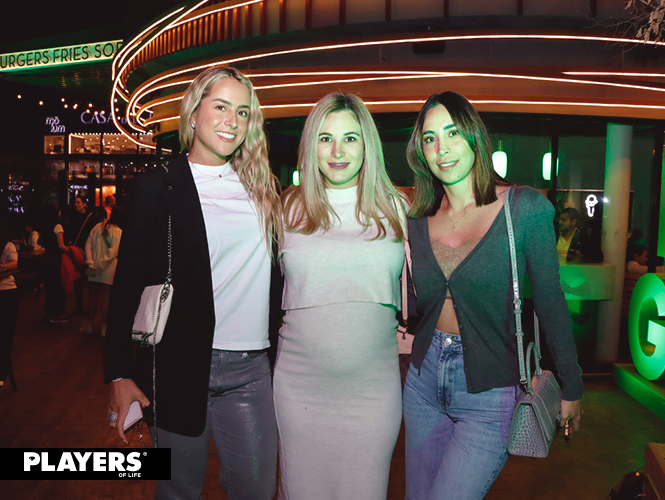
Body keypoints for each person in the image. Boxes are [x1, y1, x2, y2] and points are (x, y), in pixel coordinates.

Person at [104, 65, 282, 500]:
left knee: (257, 490)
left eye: (242, 112)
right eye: (221, 107)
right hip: (177, 366)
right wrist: (118, 373)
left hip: (251, 368)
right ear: (194, 111)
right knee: (177, 491)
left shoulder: (263, 190)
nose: (231, 121)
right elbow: (125, 286)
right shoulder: (155, 188)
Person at [402, 91, 584, 500]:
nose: (441, 148)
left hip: (489, 390)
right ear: (421, 152)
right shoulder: (417, 219)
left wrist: (572, 385)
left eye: (451, 132)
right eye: (429, 138)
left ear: (475, 138)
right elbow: (415, 306)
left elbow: (552, 301)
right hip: (422, 382)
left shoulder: (524, 209)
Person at [274, 93, 406, 499]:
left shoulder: (397, 208)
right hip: (300, 390)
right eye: (325, 138)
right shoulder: (286, 210)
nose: (337, 151)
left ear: (367, 145)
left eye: (350, 138)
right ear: (310, 145)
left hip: (372, 393)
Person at [81, 206, 125, 337]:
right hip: (109, 268)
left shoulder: (97, 227)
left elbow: (87, 246)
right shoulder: (118, 231)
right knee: (106, 298)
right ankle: (104, 328)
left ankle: (89, 325)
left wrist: (91, 263)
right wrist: (101, 264)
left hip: (93, 267)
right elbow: (113, 252)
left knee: (92, 297)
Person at [66, 196, 98, 314]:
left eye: (78, 202)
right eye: (75, 202)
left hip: (86, 251)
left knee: (87, 280)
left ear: (85, 204)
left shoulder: (90, 218)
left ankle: (89, 306)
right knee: (79, 280)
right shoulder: (75, 217)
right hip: (77, 251)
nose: (76, 205)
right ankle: (81, 305)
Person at [37, 204, 69, 323]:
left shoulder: (45, 226)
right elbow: (61, 246)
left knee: (49, 287)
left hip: (47, 258)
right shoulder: (58, 226)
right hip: (56, 259)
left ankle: (49, 313)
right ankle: (57, 314)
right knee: (58, 286)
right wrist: (70, 251)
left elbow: (39, 241)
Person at [0, 219, 19, 388]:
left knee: (5, 335)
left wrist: (3, 267)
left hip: (6, 292)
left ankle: (3, 372)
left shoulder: (8, 246)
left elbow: (14, 263)